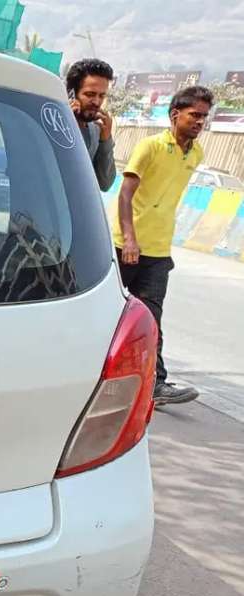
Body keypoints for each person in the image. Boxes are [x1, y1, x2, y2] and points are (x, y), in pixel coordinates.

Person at [112, 86, 214, 406]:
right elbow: (125, 193)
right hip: (125, 245)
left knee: (151, 317)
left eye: (204, 117)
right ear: (175, 115)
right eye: (194, 115)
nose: (200, 122)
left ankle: (157, 382)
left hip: (158, 250)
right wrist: (129, 238)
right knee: (109, 309)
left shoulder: (196, 154)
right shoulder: (150, 147)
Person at [66, 58, 116, 191]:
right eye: (90, 94)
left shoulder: (96, 131)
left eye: (101, 96)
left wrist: (105, 141)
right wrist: (65, 124)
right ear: (71, 94)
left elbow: (105, 184)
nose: (96, 102)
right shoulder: (53, 122)